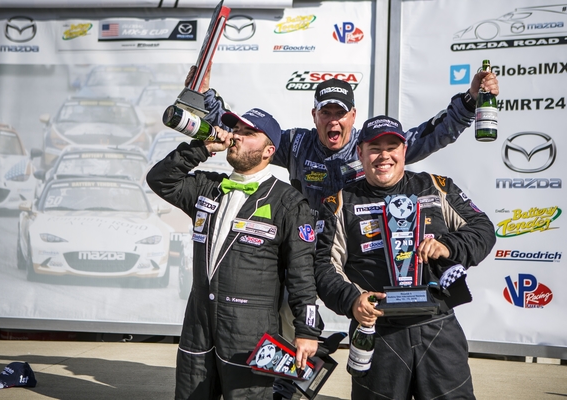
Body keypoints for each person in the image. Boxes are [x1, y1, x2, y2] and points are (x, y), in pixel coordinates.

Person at [314, 115, 496, 399]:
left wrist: (448, 246)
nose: (383, 155)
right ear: (360, 152)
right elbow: (324, 266)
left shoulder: (437, 187)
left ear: (404, 151)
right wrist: (352, 301)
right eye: (374, 148)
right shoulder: (340, 202)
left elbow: (483, 229)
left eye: (392, 146)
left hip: (437, 326)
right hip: (378, 331)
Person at [146, 108, 322, 399]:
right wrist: (200, 148)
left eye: (248, 132)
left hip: (250, 332)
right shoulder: (208, 187)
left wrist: (307, 331)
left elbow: (302, 273)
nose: (237, 136)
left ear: (269, 151)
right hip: (199, 324)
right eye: (236, 129)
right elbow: (160, 179)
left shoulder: (288, 201)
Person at [192, 67, 499, 214]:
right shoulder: (297, 144)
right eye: (326, 113)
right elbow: (246, 135)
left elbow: (432, 135)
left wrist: (471, 101)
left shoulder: (370, 147)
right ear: (314, 116)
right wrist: (205, 95)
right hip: (308, 241)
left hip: (357, 240)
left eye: (340, 113)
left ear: (353, 115)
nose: (333, 120)